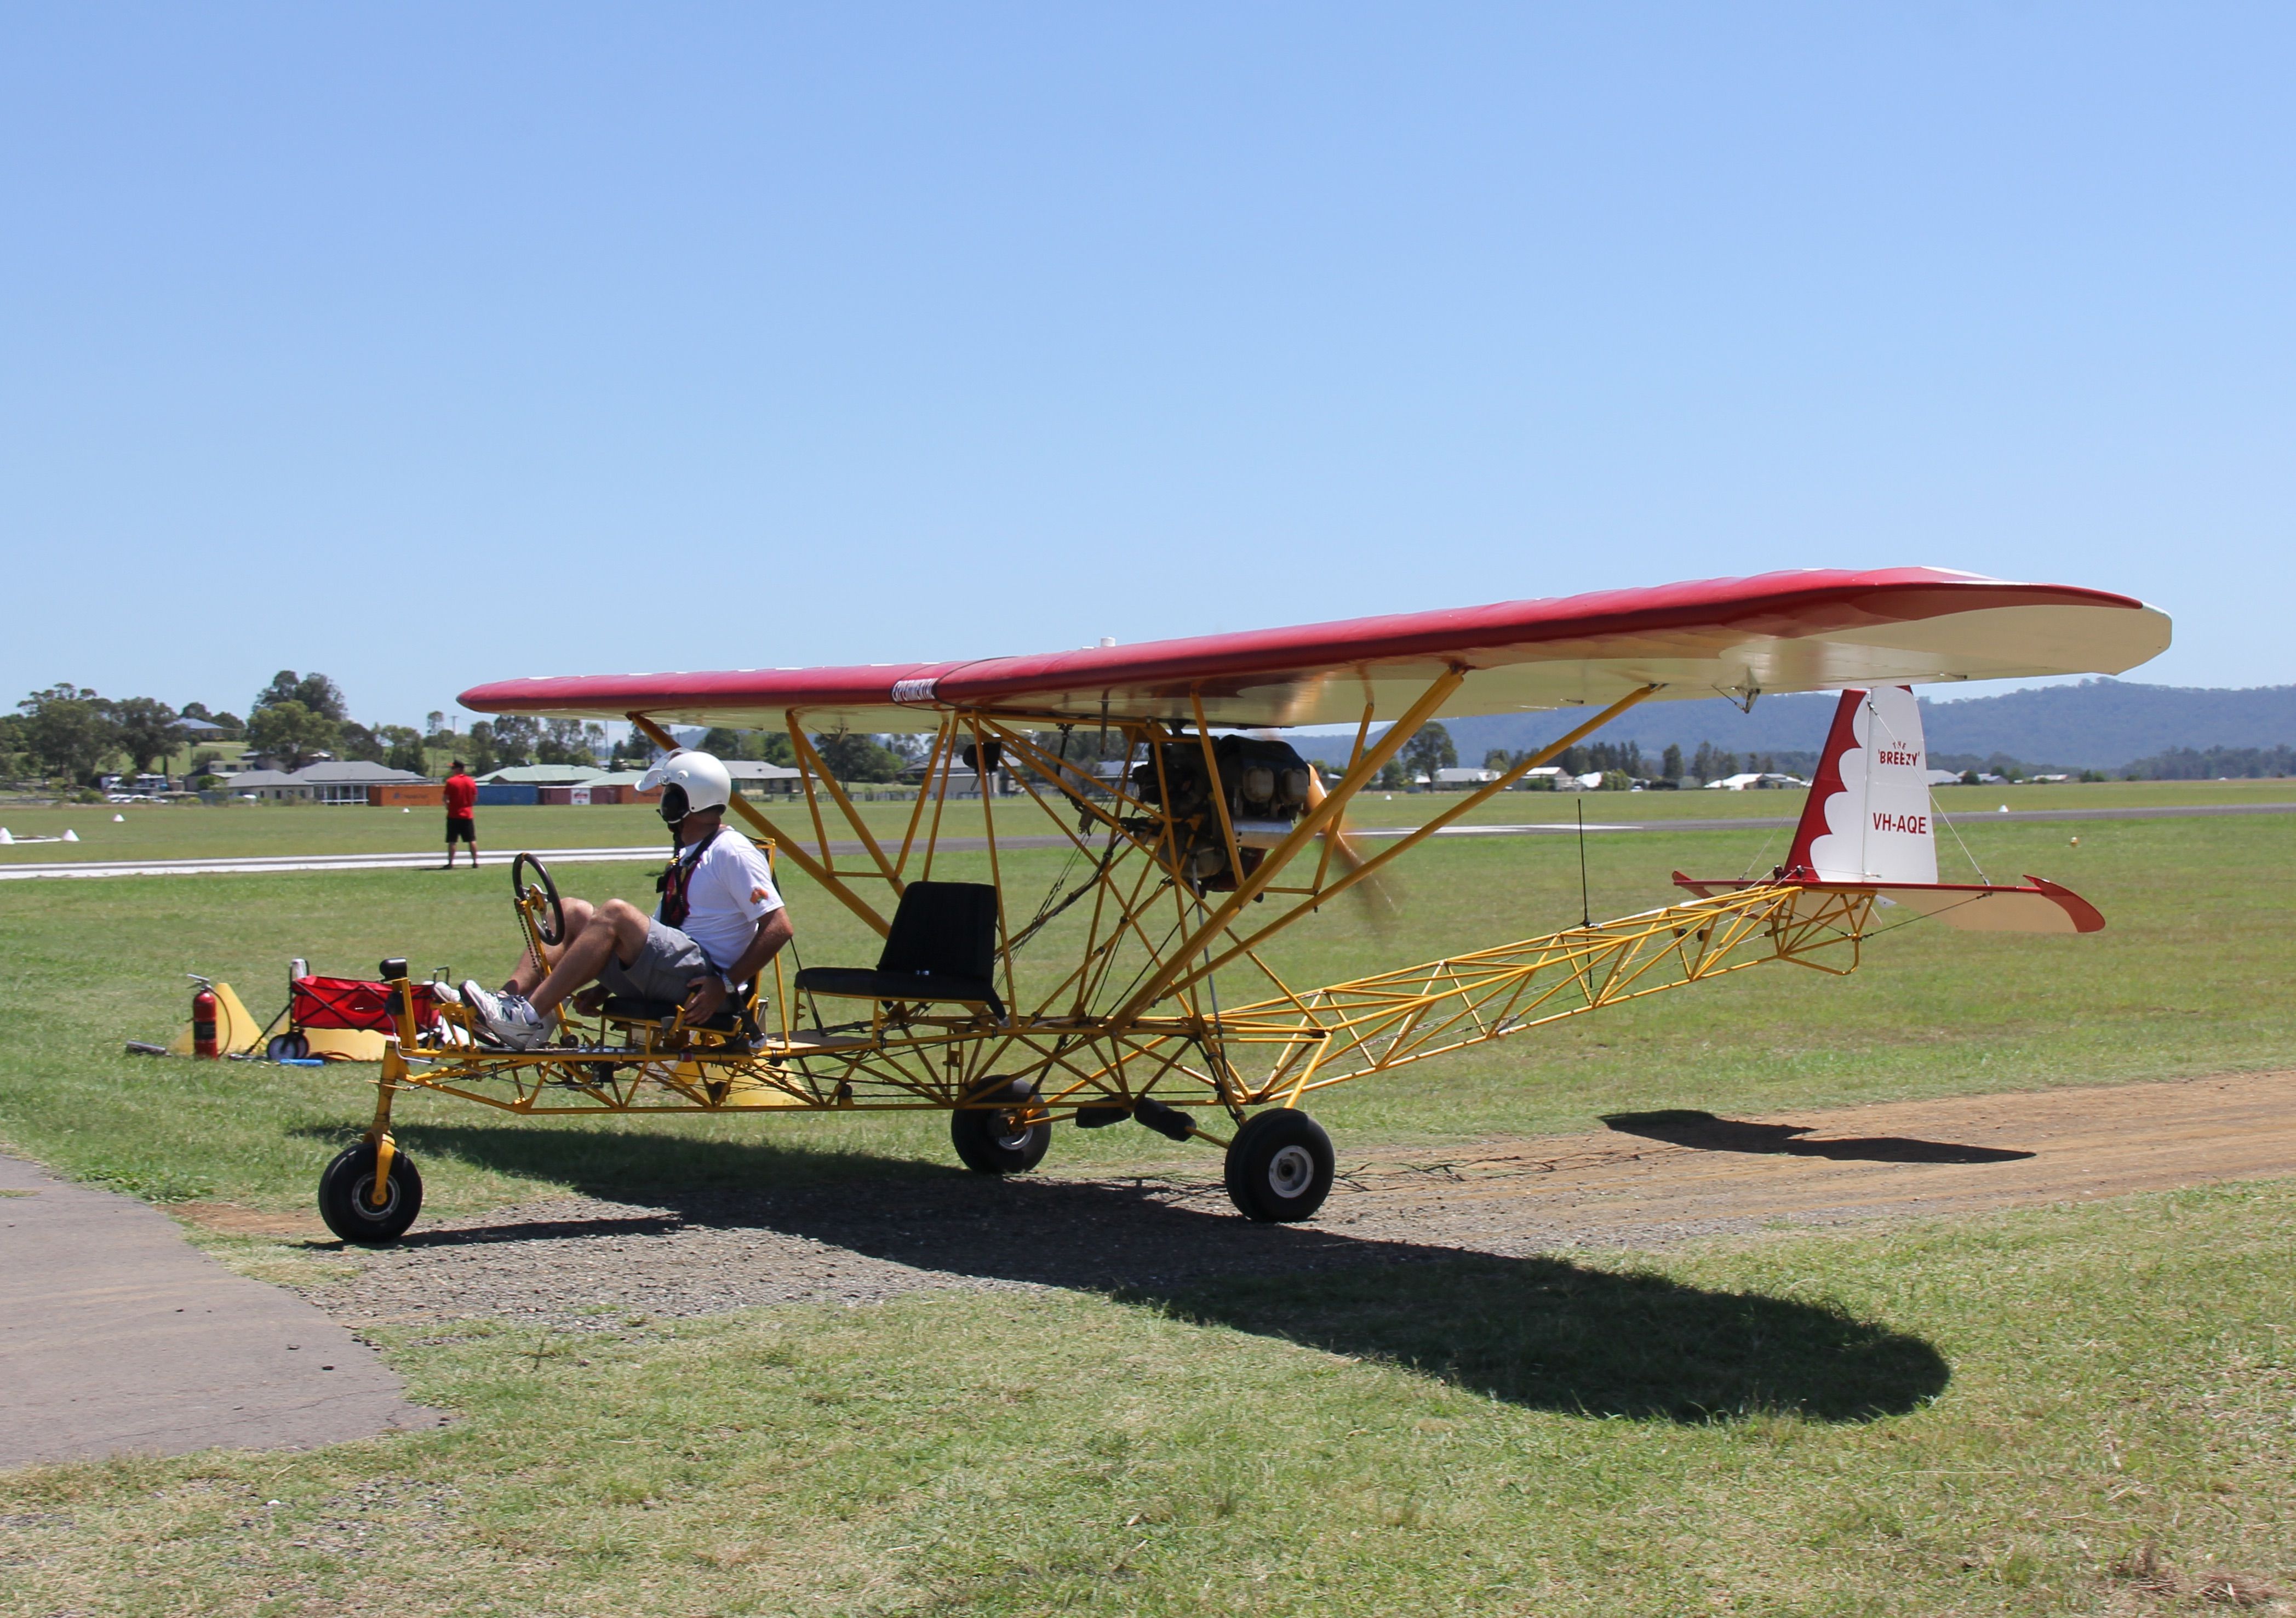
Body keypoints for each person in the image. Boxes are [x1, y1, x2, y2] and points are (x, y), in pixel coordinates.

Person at [459, 750, 794, 1050]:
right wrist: (604, 989)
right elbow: (663, 933)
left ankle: (526, 1018)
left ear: (684, 802)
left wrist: (723, 985)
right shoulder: (690, 854)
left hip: (703, 984)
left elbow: (779, 926)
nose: (663, 803)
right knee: (571, 910)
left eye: (668, 794)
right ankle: (507, 1006)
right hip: (673, 971)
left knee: (616, 913)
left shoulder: (731, 851)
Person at [441, 761, 479, 868]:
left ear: (458, 769)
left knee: (452, 841)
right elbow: (475, 798)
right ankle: (475, 862)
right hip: (467, 815)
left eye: (453, 768)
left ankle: (451, 863)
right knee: (471, 839)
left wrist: (449, 807)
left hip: (454, 815)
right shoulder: (471, 782)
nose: (452, 771)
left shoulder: (451, 782)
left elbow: (445, 799)